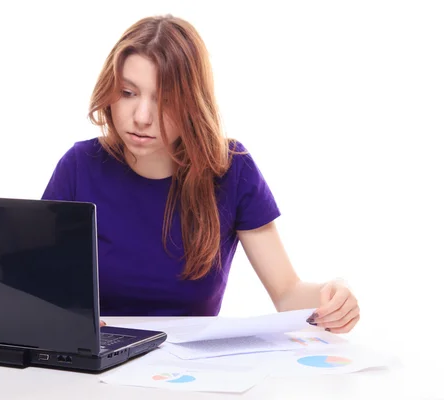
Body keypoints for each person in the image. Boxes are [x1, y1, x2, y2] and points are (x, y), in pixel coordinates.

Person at [41, 14, 360, 333]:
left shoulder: (232, 168)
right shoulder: (79, 166)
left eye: (165, 100)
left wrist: (334, 297)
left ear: (192, 103)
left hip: (190, 372)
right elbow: (37, 285)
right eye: (128, 93)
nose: (141, 117)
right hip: (97, 367)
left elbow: (287, 292)